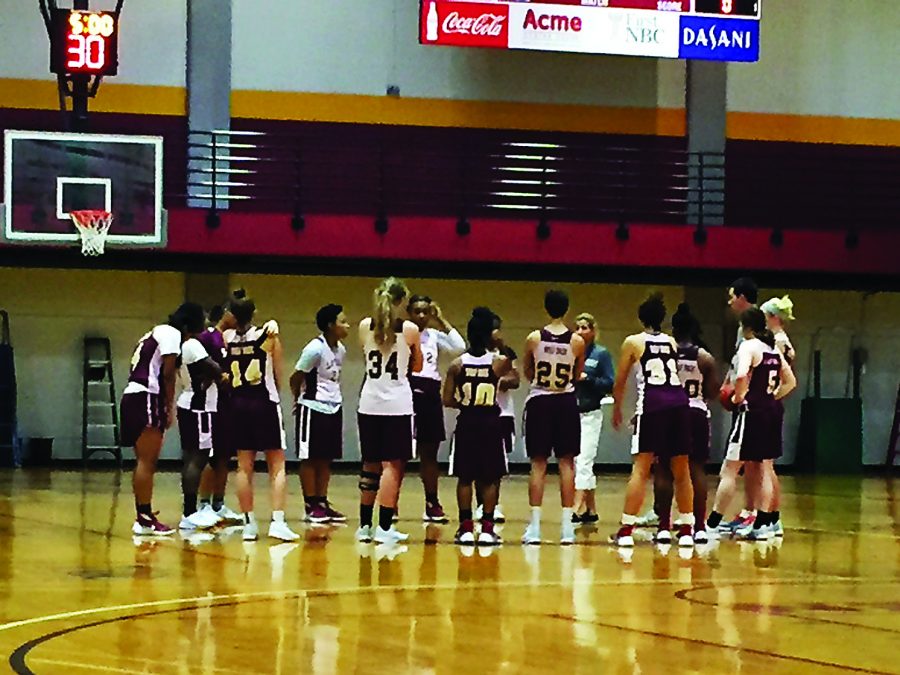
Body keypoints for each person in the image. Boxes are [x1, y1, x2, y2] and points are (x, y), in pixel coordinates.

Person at [610, 293, 695, 548]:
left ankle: (626, 530)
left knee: (641, 467)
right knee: (682, 468)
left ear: (640, 317)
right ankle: (687, 528)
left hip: (653, 404)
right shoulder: (670, 341)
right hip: (679, 403)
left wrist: (617, 408)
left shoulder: (633, 342)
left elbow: (620, 380)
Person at [707, 307, 796, 541]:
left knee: (729, 469)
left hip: (751, 414)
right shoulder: (772, 349)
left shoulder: (749, 346)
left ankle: (713, 524)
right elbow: (790, 382)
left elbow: (740, 376)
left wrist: (738, 397)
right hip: (770, 412)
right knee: (764, 469)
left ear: (744, 327)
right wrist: (770, 397)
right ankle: (763, 524)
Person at [123, 302, 206, 536]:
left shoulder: (155, 332)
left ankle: (143, 514)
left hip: (133, 395)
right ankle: (144, 518)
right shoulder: (171, 334)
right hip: (147, 396)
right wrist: (169, 406)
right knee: (147, 462)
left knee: (142, 461)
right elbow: (168, 374)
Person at [223, 289, 299, 542]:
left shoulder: (227, 338)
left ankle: (249, 524)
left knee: (244, 466)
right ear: (254, 313)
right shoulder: (268, 336)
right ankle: (277, 521)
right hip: (264, 403)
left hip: (238, 404)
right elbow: (278, 374)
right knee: (277, 464)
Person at [356, 278, 424, 544]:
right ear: (401, 301)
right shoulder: (409, 330)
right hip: (397, 404)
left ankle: (364, 527)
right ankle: (384, 528)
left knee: (369, 464)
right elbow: (416, 367)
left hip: (369, 402)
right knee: (391, 467)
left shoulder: (364, 326)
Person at [650, 304, 721, 544]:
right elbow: (713, 393)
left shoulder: (665, 353)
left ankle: (663, 527)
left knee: (663, 470)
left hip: (668, 412)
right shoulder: (705, 358)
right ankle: (698, 527)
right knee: (696, 470)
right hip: (697, 413)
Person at [521, 290, 585, 545]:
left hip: (540, 400)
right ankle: (567, 528)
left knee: (538, 464)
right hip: (565, 401)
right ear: (567, 309)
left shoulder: (534, 338)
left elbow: (528, 370)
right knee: (567, 463)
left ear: (546, 308)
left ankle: (535, 527)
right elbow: (576, 374)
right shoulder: (577, 341)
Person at [443, 309, 511, 546]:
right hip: (490, 423)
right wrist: (499, 344)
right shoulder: (497, 363)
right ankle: (487, 529)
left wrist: (464, 401)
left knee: (465, 478)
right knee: (490, 478)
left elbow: (447, 399)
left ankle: (465, 527)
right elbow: (511, 365)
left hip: (467, 422)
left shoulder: (457, 365)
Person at [407, 295, 466, 522]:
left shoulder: (434, 336)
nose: (421, 316)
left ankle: (432, 502)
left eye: (426, 311)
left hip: (430, 392)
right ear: (409, 313)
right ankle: (390, 505)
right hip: (407, 390)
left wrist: (442, 319)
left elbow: (459, 347)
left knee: (429, 453)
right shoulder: (401, 334)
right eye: (417, 311)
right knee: (398, 455)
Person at [290, 304, 350, 524]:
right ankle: (310, 504)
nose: (347, 325)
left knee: (326, 458)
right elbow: (296, 376)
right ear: (330, 325)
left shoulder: (341, 349)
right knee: (310, 457)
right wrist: (297, 399)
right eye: (343, 321)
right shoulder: (314, 348)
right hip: (313, 407)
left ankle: (322, 502)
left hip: (334, 406)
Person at [176, 320, 227, 532]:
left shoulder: (181, 345)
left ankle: (189, 511)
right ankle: (189, 513)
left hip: (189, 403)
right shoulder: (192, 345)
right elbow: (215, 369)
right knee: (198, 458)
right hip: (200, 407)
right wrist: (222, 375)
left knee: (190, 457)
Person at [719, 276, 760, 533]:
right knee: (754, 463)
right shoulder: (742, 329)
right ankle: (750, 512)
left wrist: (738, 392)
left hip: (752, 403)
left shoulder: (758, 328)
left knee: (755, 464)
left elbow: (748, 369)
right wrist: (727, 382)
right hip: (749, 400)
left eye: (733, 295)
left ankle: (759, 515)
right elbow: (737, 365)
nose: (730, 300)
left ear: (743, 298)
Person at [195, 305, 242, 525]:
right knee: (209, 456)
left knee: (224, 456)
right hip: (209, 403)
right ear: (225, 312)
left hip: (228, 403)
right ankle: (203, 504)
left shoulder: (231, 339)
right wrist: (216, 377)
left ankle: (219, 504)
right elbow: (199, 367)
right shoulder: (207, 337)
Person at [475, 310, 518, 523]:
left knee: (497, 464)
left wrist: (496, 381)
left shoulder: (506, 353)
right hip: (479, 411)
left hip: (503, 413)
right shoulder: (473, 353)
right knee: (476, 463)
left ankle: (495, 504)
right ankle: (479, 504)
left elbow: (515, 380)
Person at [572, 312, 615, 524]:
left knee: (584, 460)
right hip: (571, 412)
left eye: (585, 327)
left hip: (590, 413)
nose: (580, 331)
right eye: (577, 327)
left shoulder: (601, 354)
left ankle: (577, 506)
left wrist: (588, 379)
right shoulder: (571, 352)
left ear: (593, 330)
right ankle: (591, 509)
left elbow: (609, 383)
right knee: (575, 460)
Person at [760, 295, 796, 537]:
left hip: (769, 407)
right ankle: (772, 517)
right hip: (773, 407)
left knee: (766, 464)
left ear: (772, 317)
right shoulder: (783, 340)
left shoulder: (777, 341)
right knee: (767, 464)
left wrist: (771, 398)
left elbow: (788, 381)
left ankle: (771, 517)